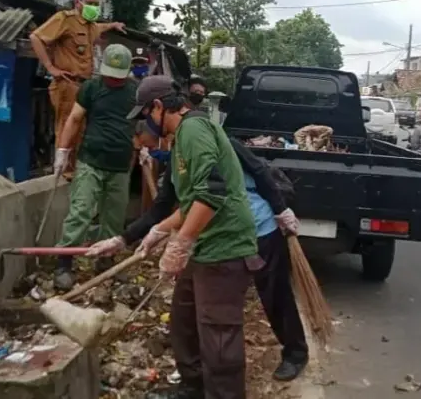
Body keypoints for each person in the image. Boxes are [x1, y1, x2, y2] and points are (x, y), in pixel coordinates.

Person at [97, 117, 310, 383]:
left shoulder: (212, 140)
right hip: (220, 239)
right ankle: (198, 378)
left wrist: (280, 209)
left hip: (259, 228)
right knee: (203, 311)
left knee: (274, 296)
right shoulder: (179, 157)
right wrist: (124, 239)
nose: (144, 149)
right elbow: (163, 206)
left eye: (142, 142)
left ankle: (295, 353)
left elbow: (259, 171)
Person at [120, 75, 262, 399]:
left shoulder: (194, 130)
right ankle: (193, 387)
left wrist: (179, 245)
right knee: (184, 320)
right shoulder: (183, 136)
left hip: (225, 250)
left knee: (219, 341)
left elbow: (211, 193)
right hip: (205, 246)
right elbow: (192, 201)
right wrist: (160, 231)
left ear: (158, 107)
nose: (146, 125)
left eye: (146, 116)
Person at [51, 44, 138, 290]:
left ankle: (105, 262)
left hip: (121, 165)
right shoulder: (91, 88)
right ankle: (64, 264)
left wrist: (144, 146)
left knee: (114, 217)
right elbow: (75, 118)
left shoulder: (135, 92)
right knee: (81, 210)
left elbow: (144, 123)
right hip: (91, 160)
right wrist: (62, 151)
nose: (113, 79)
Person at [30, 0, 127, 180]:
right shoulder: (64, 19)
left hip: (85, 85)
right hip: (67, 83)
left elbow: (99, 28)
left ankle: (75, 169)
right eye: (90, 2)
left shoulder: (90, 25)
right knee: (66, 125)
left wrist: (113, 25)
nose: (94, 7)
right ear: (78, 2)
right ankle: (64, 171)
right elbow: (36, 37)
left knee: (81, 128)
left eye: (96, 4)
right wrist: (51, 68)